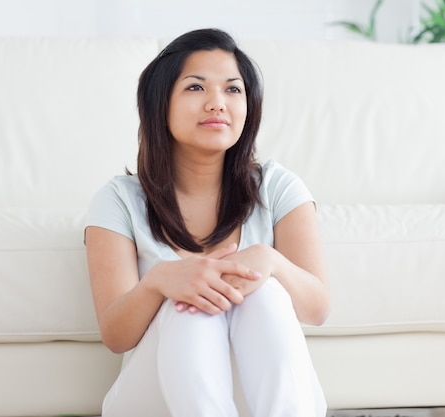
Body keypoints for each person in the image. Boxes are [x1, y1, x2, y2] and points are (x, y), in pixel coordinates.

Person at [84, 28, 330, 417]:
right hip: (155, 400)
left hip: (267, 401)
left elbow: (317, 309)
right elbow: (116, 336)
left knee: (262, 291)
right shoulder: (118, 200)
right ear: (159, 103)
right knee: (191, 301)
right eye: (196, 88)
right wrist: (160, 281)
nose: (218, 103)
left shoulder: (279, 186)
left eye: (233, 90)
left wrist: (271, 261)